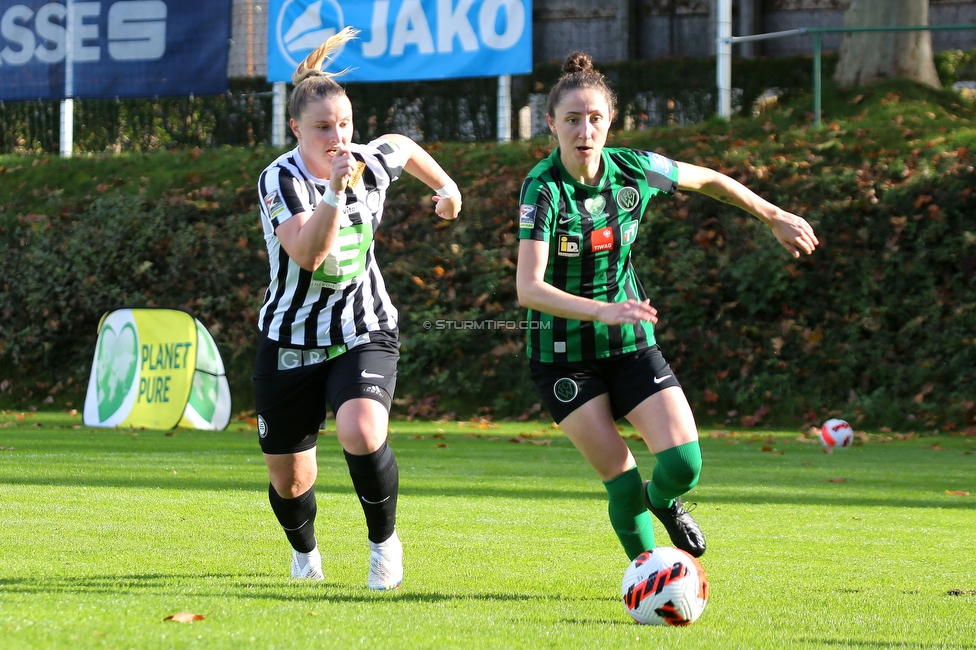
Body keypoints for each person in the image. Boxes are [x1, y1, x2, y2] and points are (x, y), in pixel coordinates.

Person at [515, 52, 818, 562]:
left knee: (684, 464)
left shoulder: (634, 171)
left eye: (594, 118)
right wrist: (602, 310)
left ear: (610, 121)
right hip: (562, 356)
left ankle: (666, 501)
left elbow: (712, 181)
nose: (584, 130)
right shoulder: (542, 189)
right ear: (551, 124)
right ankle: (649, 574)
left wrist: (773, 214)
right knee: (622, 481)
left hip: (632, 346)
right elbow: (529, 288)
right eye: (571, 119)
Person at [253, 27, 462, 588]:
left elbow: (405, 146)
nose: (336, 137)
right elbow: (309, 254)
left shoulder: (368, 157)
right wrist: (336, 193)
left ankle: (384, 545)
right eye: (322, 128)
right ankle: (304, 555)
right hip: (291, 336)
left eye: (343, 125)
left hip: (362, 327)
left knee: (363, 430)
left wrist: (447, 189)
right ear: (295, 128)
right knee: (290, 478)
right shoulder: (280, 179)